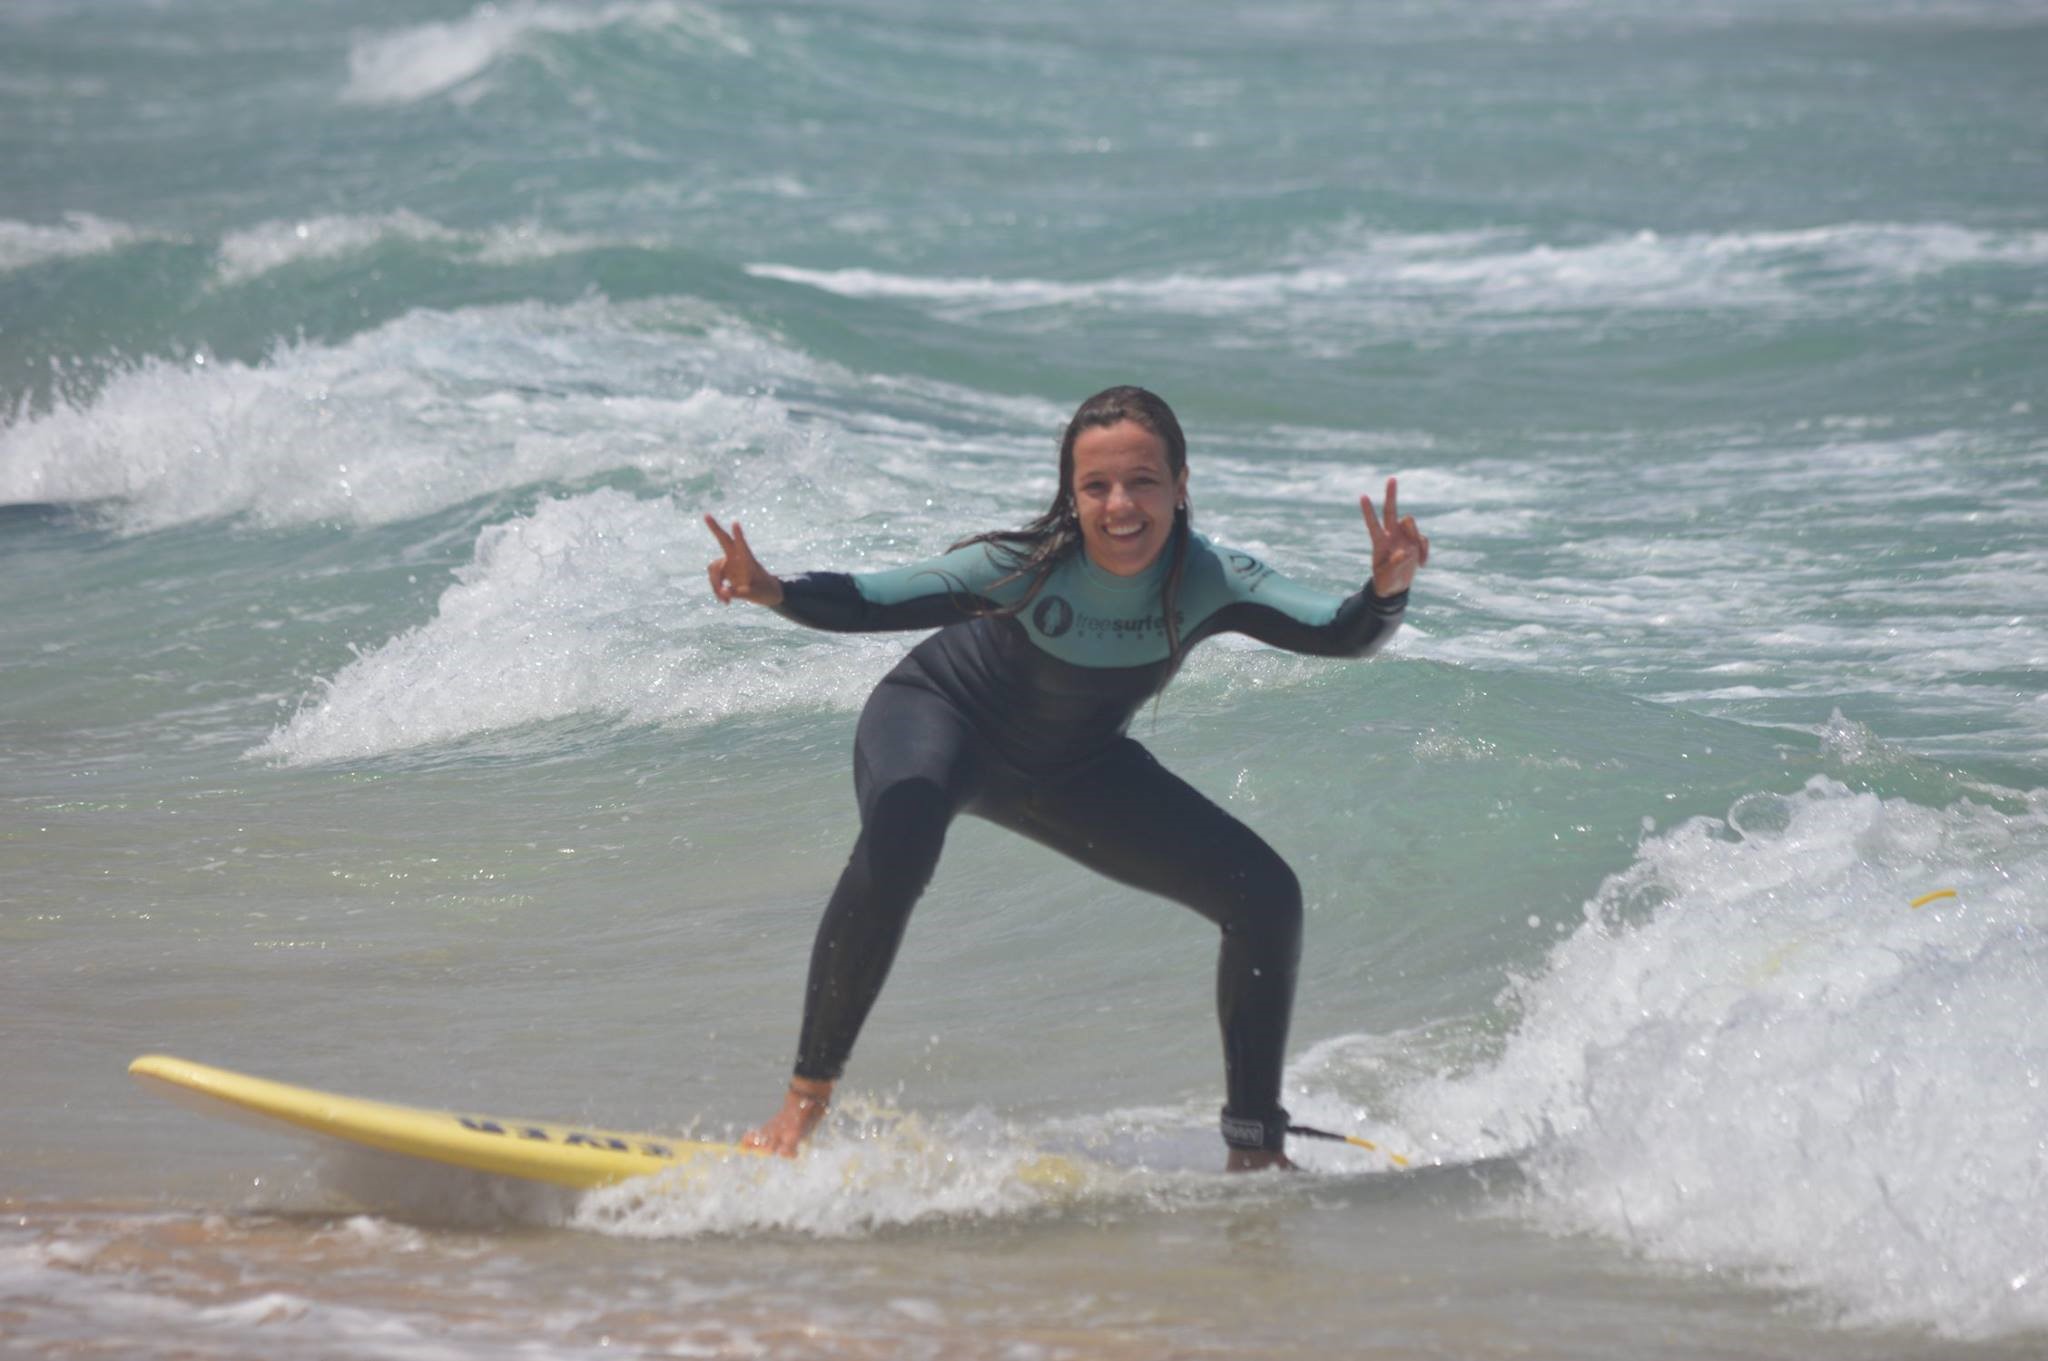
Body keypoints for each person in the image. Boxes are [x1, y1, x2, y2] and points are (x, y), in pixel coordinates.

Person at [703, 385, 1427, 1171]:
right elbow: (874, 598)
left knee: (1265, 894)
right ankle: (803, 1102)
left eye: (1144, 480)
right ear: (1071, 494)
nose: (1122, 505)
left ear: (1181, 484)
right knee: (900, 838)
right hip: (939, 719)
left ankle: (1254, 1144)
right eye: (1096, 486)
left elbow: (1341, 632)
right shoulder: (1023, 567)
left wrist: (1386, 591)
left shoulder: (1211, 578)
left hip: (1074, 767)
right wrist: (773, 590)